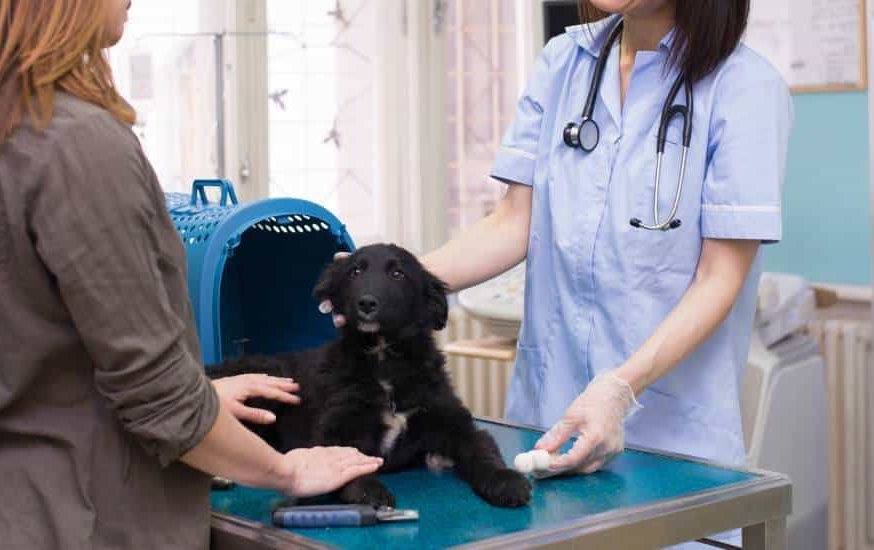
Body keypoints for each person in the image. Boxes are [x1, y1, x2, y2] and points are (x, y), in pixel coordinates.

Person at [0, 1, 382, 549]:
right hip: (72, 518)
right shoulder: (76, 142)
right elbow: (159, 401)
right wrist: (285, 471)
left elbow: (31, 349)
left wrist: (199, 397)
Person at [325, 0, 790, 545]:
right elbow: (513, 221)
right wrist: (397, 284)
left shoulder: (746, 87)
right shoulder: (563, 63)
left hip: (674, 448)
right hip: (545, 430)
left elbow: (720, 277)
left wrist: (619, 388)